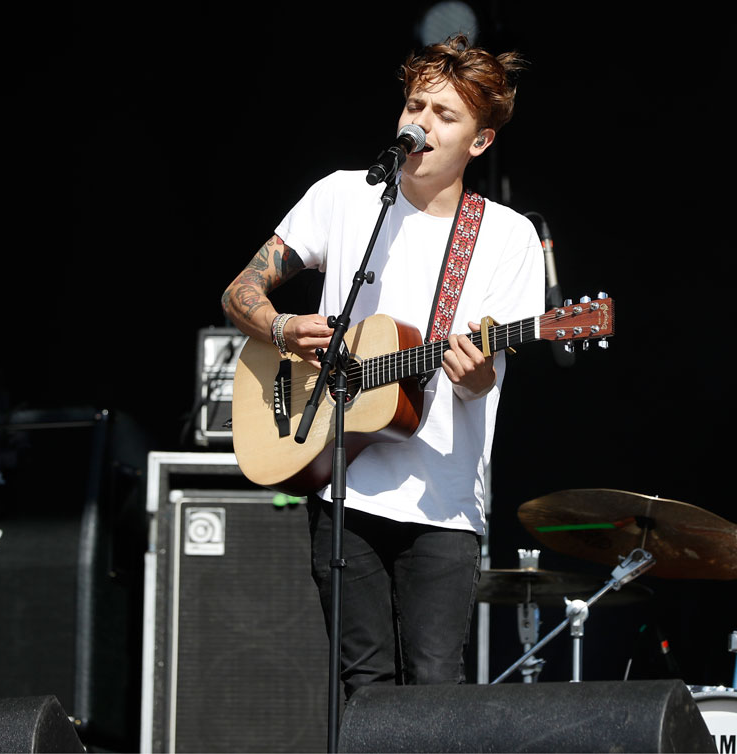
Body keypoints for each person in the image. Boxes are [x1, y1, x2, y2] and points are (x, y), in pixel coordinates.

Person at [220, 34, 541, 698]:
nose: (420, 122)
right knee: (361, 690)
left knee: (432, 692)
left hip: (441, 502)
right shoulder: (344, 197)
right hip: (342, 485)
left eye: (444, 115)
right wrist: (280, 327)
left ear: (478, 142)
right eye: (414, 105)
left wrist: (474, 373)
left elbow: (485, 376)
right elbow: (239, 290)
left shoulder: (506, 236)